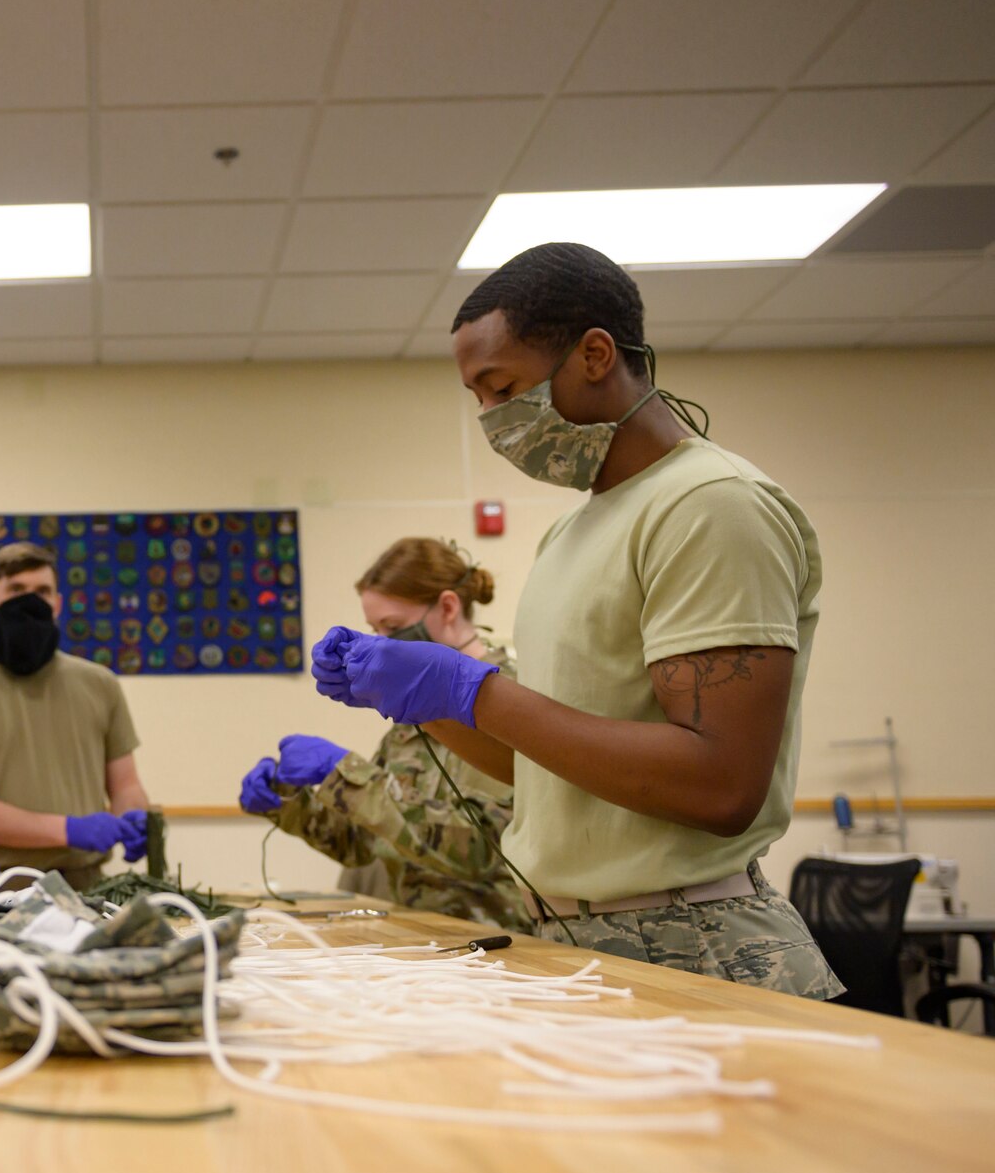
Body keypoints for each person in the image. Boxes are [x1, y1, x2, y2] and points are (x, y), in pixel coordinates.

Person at [313, 242, 838, 999]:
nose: (493, 419)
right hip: (570, 939)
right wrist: (425, 702)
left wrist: (474, 689)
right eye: (478, 397)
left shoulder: (709, 505)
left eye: (503, 387)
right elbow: (549, 768)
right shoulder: (575, 530)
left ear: (596, 353)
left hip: (688, 946)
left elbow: (721, 784)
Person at [240, 539, 529, 928]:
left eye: (392, 627)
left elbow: (478, 849)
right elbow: (366, 844)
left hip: (500, 943)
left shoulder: (504, 696)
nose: (384, 643)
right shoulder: (417, 704)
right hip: (422, 935)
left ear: (447, 607)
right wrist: (290, 803)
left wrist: (345, 772)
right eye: (375, 629)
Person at [0, 542, 149, 889]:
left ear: (58, 603)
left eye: (42, 591)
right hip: (0, 889)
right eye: (16, 590)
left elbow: (126, 784)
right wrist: (68, 830)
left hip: (89, 887)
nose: (30, 601)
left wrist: (134, 817)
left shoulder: (100, 683)